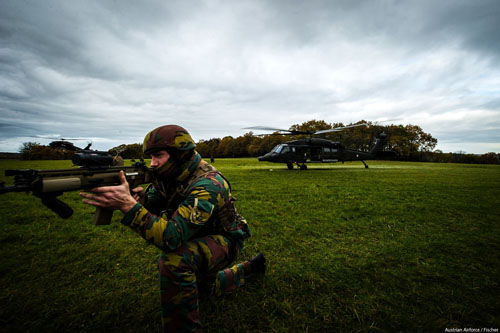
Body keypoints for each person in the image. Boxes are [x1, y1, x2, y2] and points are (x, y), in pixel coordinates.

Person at [80, 125, 265, 332]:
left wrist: (128, 207)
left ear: (180, 155)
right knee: (206, 289)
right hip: (198, 236)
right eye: (150, 156)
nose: (153, 163)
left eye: (158, 155)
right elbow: (155, 203)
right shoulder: (172, 175)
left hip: (225, 240)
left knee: (175, 261)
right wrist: (141, 201)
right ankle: (251, 267)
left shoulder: (209, 184)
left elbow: (171, 238)